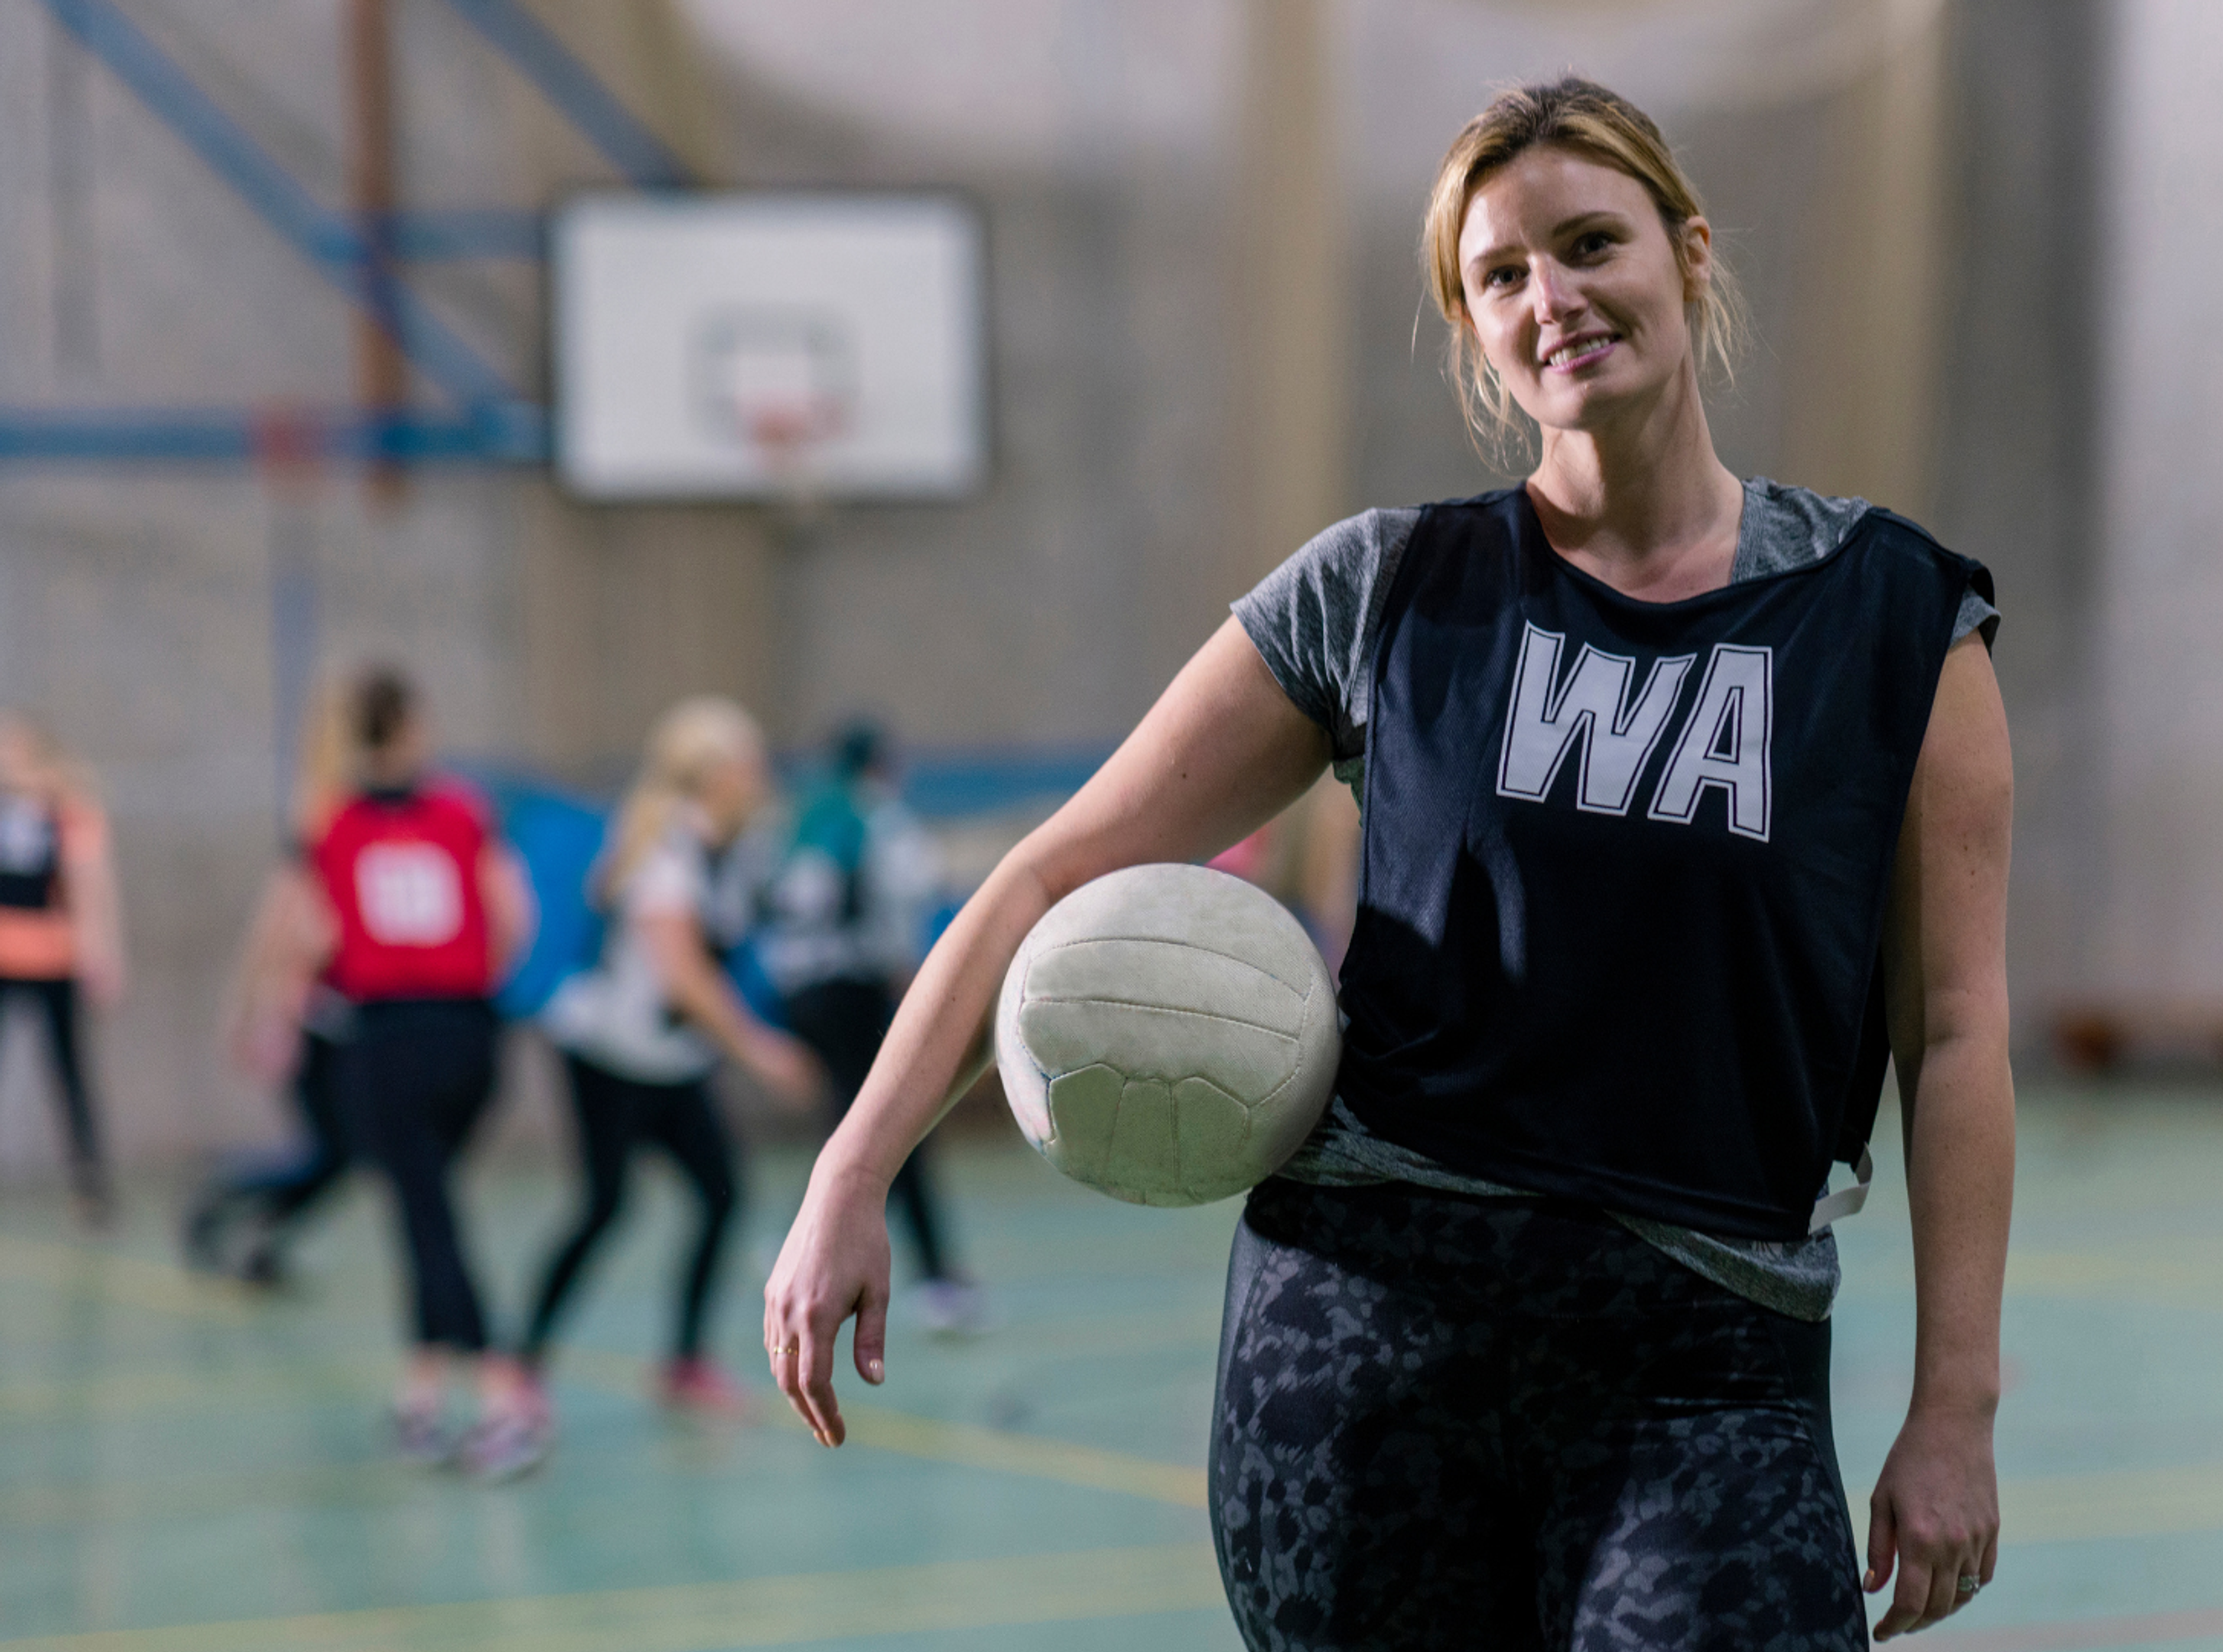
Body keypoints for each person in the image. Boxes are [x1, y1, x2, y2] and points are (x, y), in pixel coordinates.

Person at [767, 77, 2016, 1650]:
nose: (1552, 298)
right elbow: (1044, 880)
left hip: (1707, 1352)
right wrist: (851, 1171)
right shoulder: (1382, 590)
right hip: (1362, 1332)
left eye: (1589, 243)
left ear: (1689, 254)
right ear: (1471, 326)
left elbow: (1957, 1030)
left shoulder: (1895, 617)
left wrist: (1954, 1405)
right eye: (1501, 275)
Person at [514, 696, 817, 1470]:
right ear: (712, 774)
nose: (760, 776)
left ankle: (682, 1363)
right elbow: (684, 978)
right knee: (605, 1206)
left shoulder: (729, 849)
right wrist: (759, 1052)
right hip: (606, 1055)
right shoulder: (665, 852)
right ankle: (520, 1367)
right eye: (747, 762)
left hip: (669, 1063)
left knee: (720, 1195)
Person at [284, 667, 544, 1467]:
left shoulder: (332, 825)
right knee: (425, 1206)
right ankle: (421, 1395)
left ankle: (505, 1397)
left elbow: (314, 940)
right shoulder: (465, 813)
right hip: (470, 1035)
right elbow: (515, 918)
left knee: (428, 1219)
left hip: (388, 1039)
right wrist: (466, 984)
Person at [753, 719, 983, 1335]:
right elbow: (905, 899)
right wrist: (917, 993)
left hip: (798, 992)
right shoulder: (875, 815)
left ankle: (797, 1242)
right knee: (897, 1125)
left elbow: (765, 901)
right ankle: (936, 1281)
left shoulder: (800, 815)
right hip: (852, 986)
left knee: (846, 1119)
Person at [187, 685, 365, 1284]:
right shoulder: (327, 820)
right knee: (336, 1151)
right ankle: (231, 1200)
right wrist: (251, 1008)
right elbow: (282, 925)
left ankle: (258, 1234)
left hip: (357, 1014)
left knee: (344, 1153)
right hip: (322, 1016)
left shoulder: (367, 814)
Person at [0, 711, 127, 1230]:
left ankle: (90, 1185)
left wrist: (105, 955)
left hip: (56, 959)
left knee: (70, 1075)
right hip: (6, 958)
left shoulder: (69, 813)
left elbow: (93, 888)